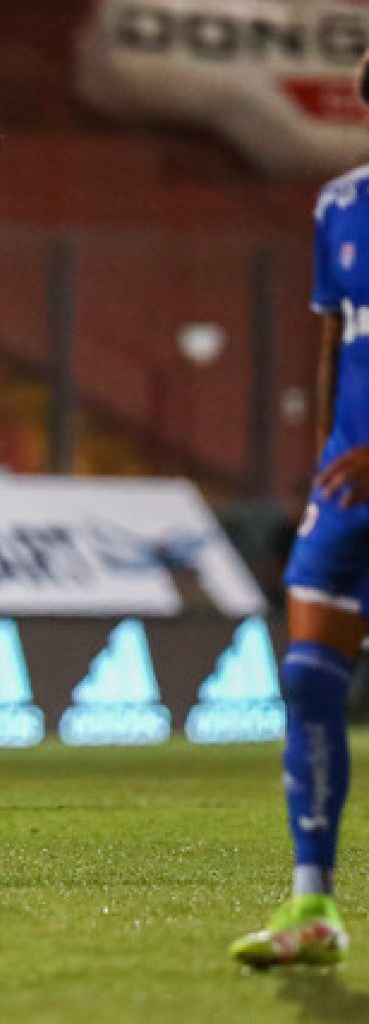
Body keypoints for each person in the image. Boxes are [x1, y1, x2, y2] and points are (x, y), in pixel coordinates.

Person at [229, 67, 369, 967]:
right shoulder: (339, 206)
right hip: (348, 484)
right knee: (311, 680)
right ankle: (312, 903)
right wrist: (323, 455)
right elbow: (331, 344)